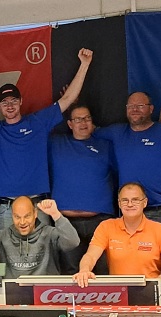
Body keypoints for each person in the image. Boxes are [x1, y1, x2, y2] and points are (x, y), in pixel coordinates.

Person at [0, 49, 93, 230]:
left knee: (43, 249)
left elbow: (68, 98)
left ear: (21, 101)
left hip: (38, 205)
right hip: (7, 207)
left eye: (13, 101)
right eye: (5, 102)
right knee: (8, 250)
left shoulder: (38, 122)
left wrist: (84, 64)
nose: (10, 106)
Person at [94, 73, 161, 248]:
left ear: (151, 109)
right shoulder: (116, 133)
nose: (135, 109)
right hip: (131, 212)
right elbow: (87, 132)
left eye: (140, 105)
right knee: (133, 260)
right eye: (131, 106)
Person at [48, 105, 116, 275]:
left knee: (103, 271)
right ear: (70, 124)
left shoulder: (106, 145)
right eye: (78, 119)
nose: (83, 123)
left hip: (100, 221)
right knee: (70, 273)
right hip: (66, 222)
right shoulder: (55, 143)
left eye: (87, 118)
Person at [73, 183, 161, 287]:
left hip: (151, 291)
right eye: (125, 200)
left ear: (145, 202)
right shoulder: (106, 226)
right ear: (119, 203)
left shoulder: (160, 229)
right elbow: (90, 256)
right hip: (118, 292)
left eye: (135, 200)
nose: (130, 204)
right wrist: (84, 270)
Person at [0, 196, 79, 279]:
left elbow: (73, 242)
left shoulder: (49, 234)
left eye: (27, 216)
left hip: (44, 295)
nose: (22, 222)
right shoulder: (2, 236)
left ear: (35, 214)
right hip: (12, 296)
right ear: (12, 216)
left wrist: (56, 215)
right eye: (17, 217)